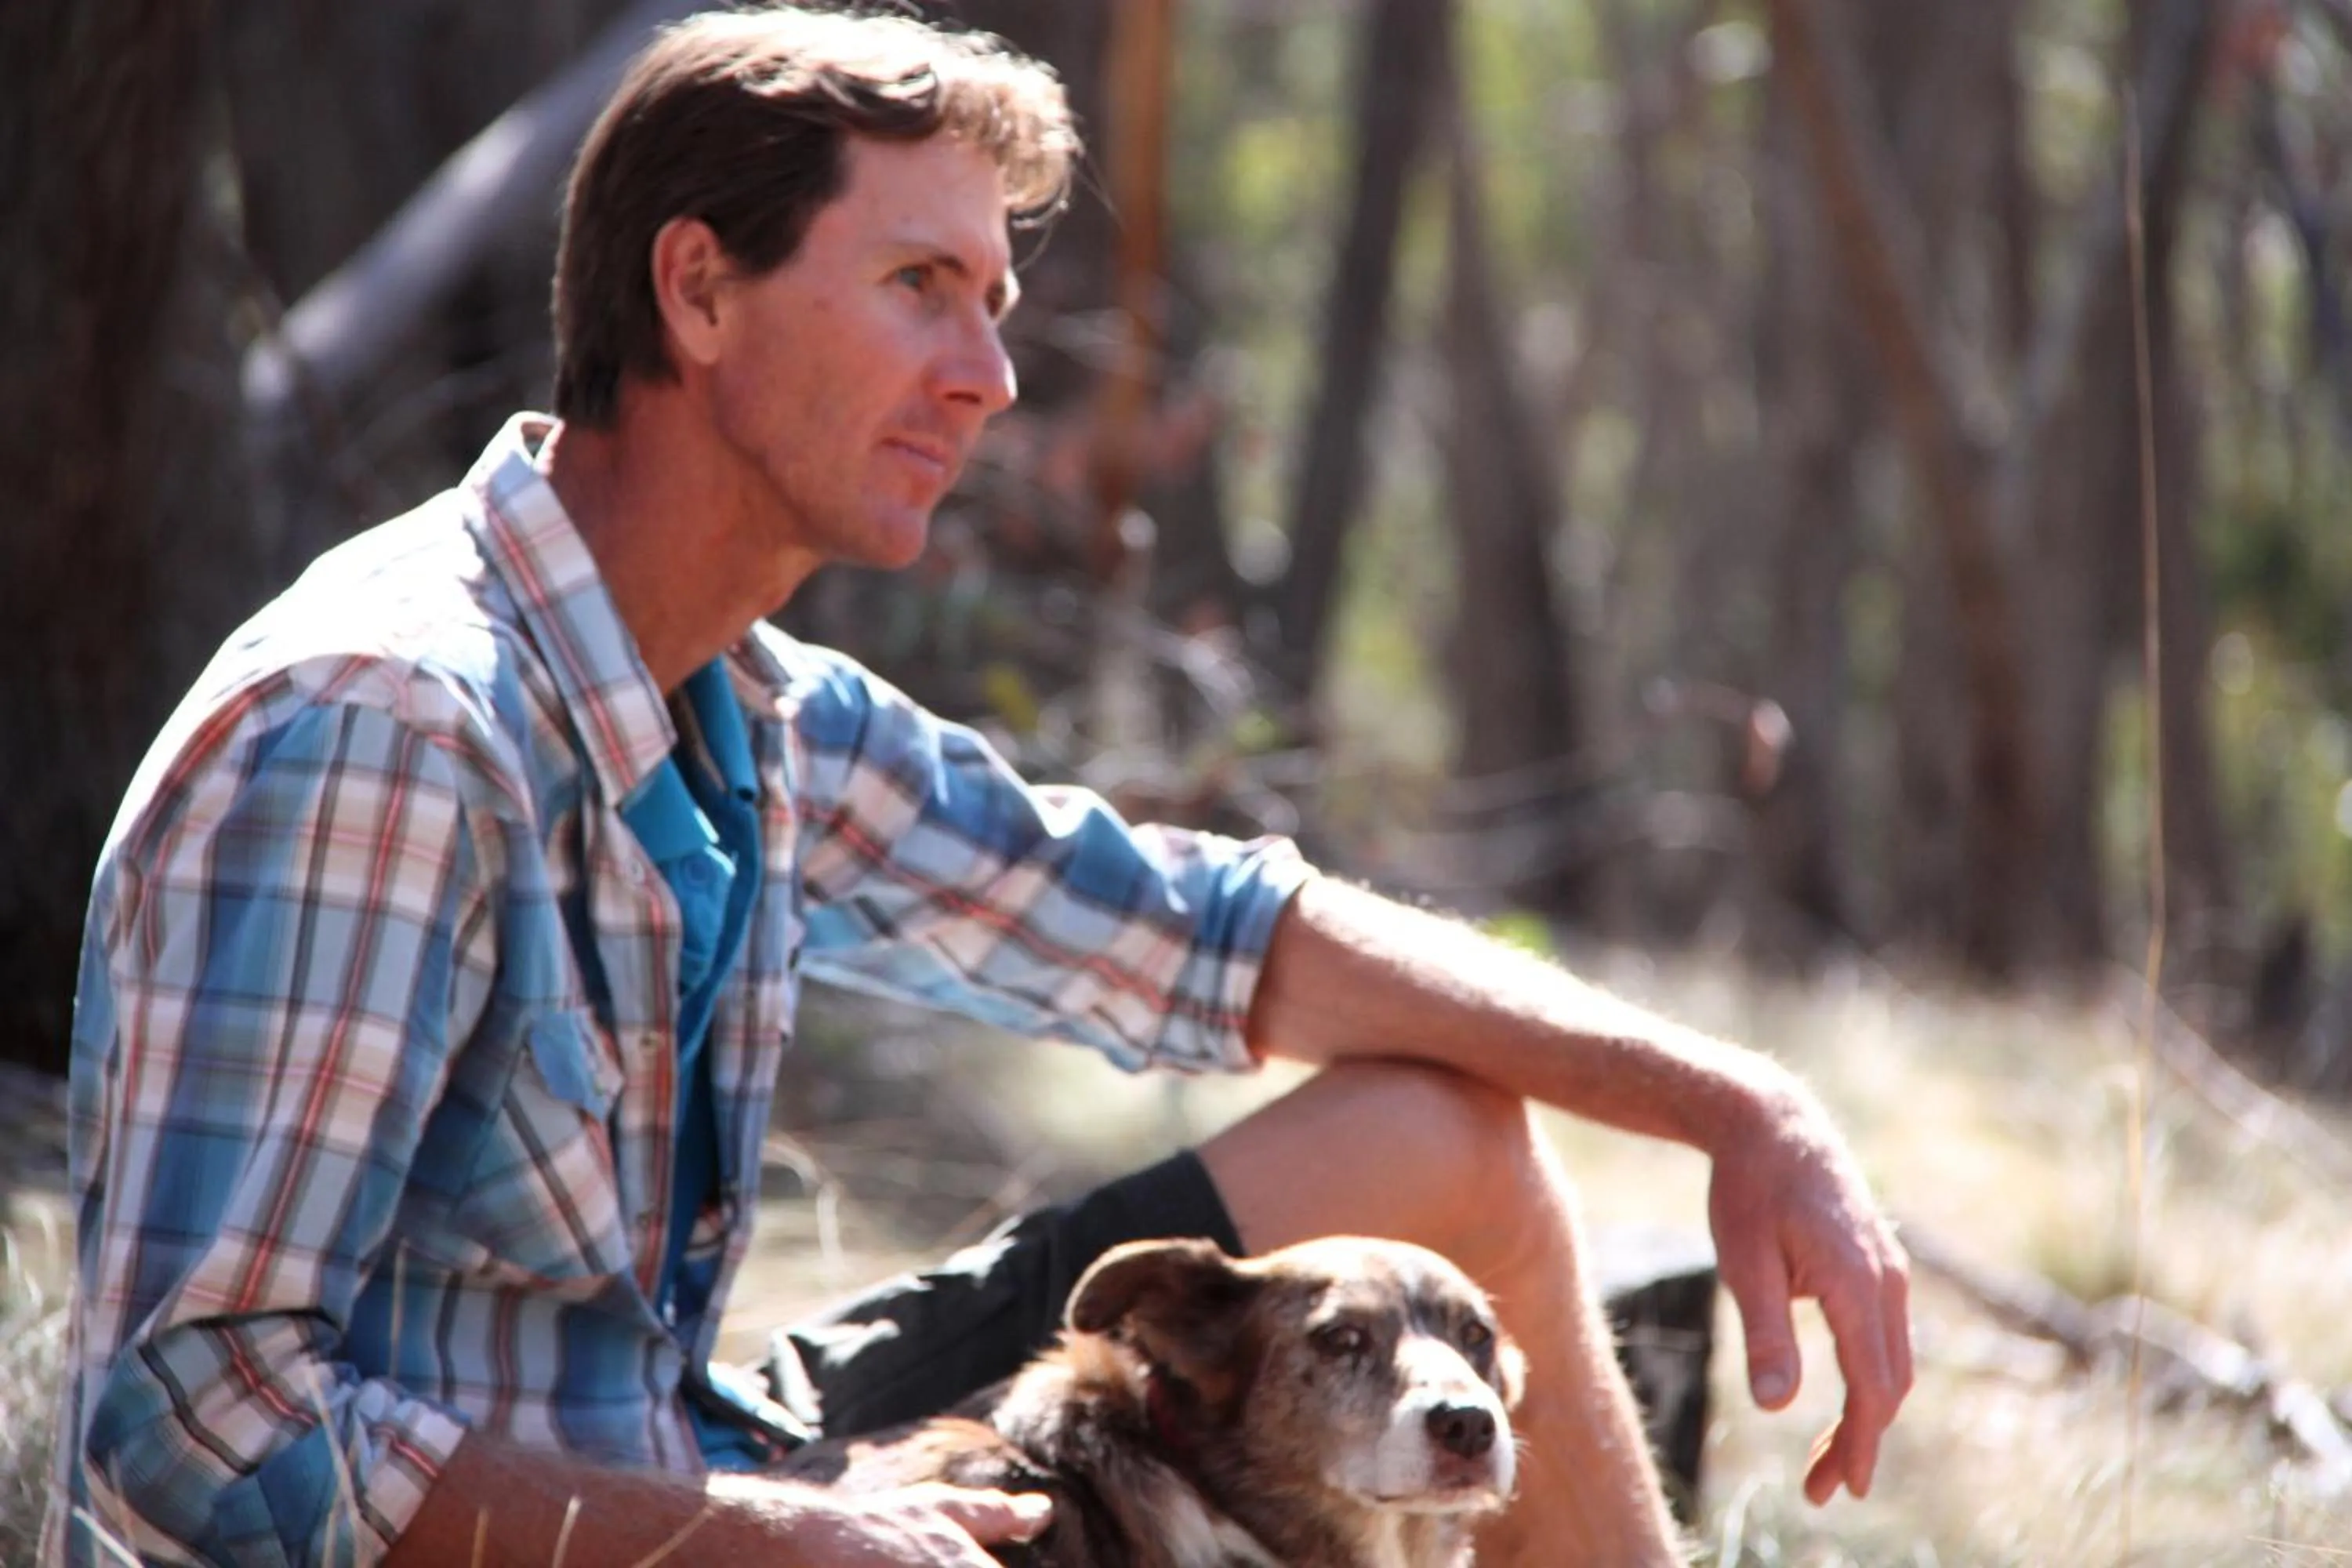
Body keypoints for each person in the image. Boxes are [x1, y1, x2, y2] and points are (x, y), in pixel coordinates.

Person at [45, 9, 1911, 1566]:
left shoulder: (753, 709)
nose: (994, 375)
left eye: (997, 299)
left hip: (711, 1449)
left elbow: (1212, 936)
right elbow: (190, 1420)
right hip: (596, 1532)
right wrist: (754, 1546)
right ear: (697, 289)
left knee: (1443, 1144)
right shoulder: (388, 728)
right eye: (923, 287)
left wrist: (1739, 1103)